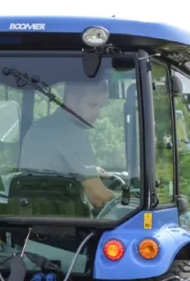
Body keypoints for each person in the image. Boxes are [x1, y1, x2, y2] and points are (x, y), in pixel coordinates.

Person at [17, 79, 117, 209]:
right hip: (61, 218)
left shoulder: (40, 127)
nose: (98, 114)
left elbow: (51, 170)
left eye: (100, 106)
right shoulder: (72, 133)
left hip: (29, 214)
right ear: (71, 101)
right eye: (92, 105)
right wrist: (128, 200)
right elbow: (98, 198)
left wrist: (90, 172)